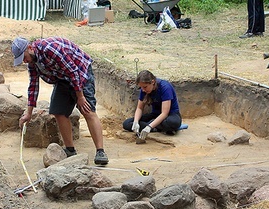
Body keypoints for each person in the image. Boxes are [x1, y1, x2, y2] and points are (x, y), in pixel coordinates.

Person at [11, 36, 108, 165]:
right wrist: (28, 113)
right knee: (58, 111)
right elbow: (33, 86)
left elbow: (73, 72)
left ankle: (100, 151)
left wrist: (80, 97)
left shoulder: (50, 49)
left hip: (80, 72)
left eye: (24, 57)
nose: (24, 61)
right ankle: (70, 150)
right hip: (62, 78)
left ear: (29, 48)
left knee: (87, 109)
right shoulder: (32, 63)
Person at [122, 70, 182, 141]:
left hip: (169, 115)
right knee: (127, 123)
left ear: (152, 82)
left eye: (145, 87)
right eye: (141, 87)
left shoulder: (165, 87)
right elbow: (139, 108)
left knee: (173, 122)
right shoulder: (144, 90)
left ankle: (152, 126)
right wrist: (136, 122)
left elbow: (164, 113)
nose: (143, 90)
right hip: (155, 115)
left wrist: (149, 126)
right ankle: (156, 127)